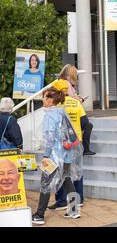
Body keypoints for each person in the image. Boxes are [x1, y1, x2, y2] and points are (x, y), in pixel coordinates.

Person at [32, 87, 83, 225]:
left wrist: (46, 155)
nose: (42, 100)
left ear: (49, 100)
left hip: (54, 156)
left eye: (44, 97)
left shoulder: (49, 115)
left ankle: (39, 215)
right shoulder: (62, 112)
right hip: (66, 155)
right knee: (67, 179)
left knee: (46, 183)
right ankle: (73, 210)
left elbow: (49, 138)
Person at [47, 79, 89, 211]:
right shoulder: (76, 102)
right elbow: (85, 122)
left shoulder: (58, 104)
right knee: (76, 172)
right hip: (76, 141)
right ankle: (79, 199)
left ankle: (61, 201)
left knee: (61, 173)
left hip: (61, 145)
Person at [58, 65, 95, 155]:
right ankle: (85, 149)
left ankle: (84, 148)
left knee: (87, 125)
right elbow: (71, 98)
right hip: (72, 112)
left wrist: (77, 97)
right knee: (87, 125)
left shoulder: (60, 82)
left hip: (66, 111)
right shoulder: (66, 83)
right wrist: (81, 99)